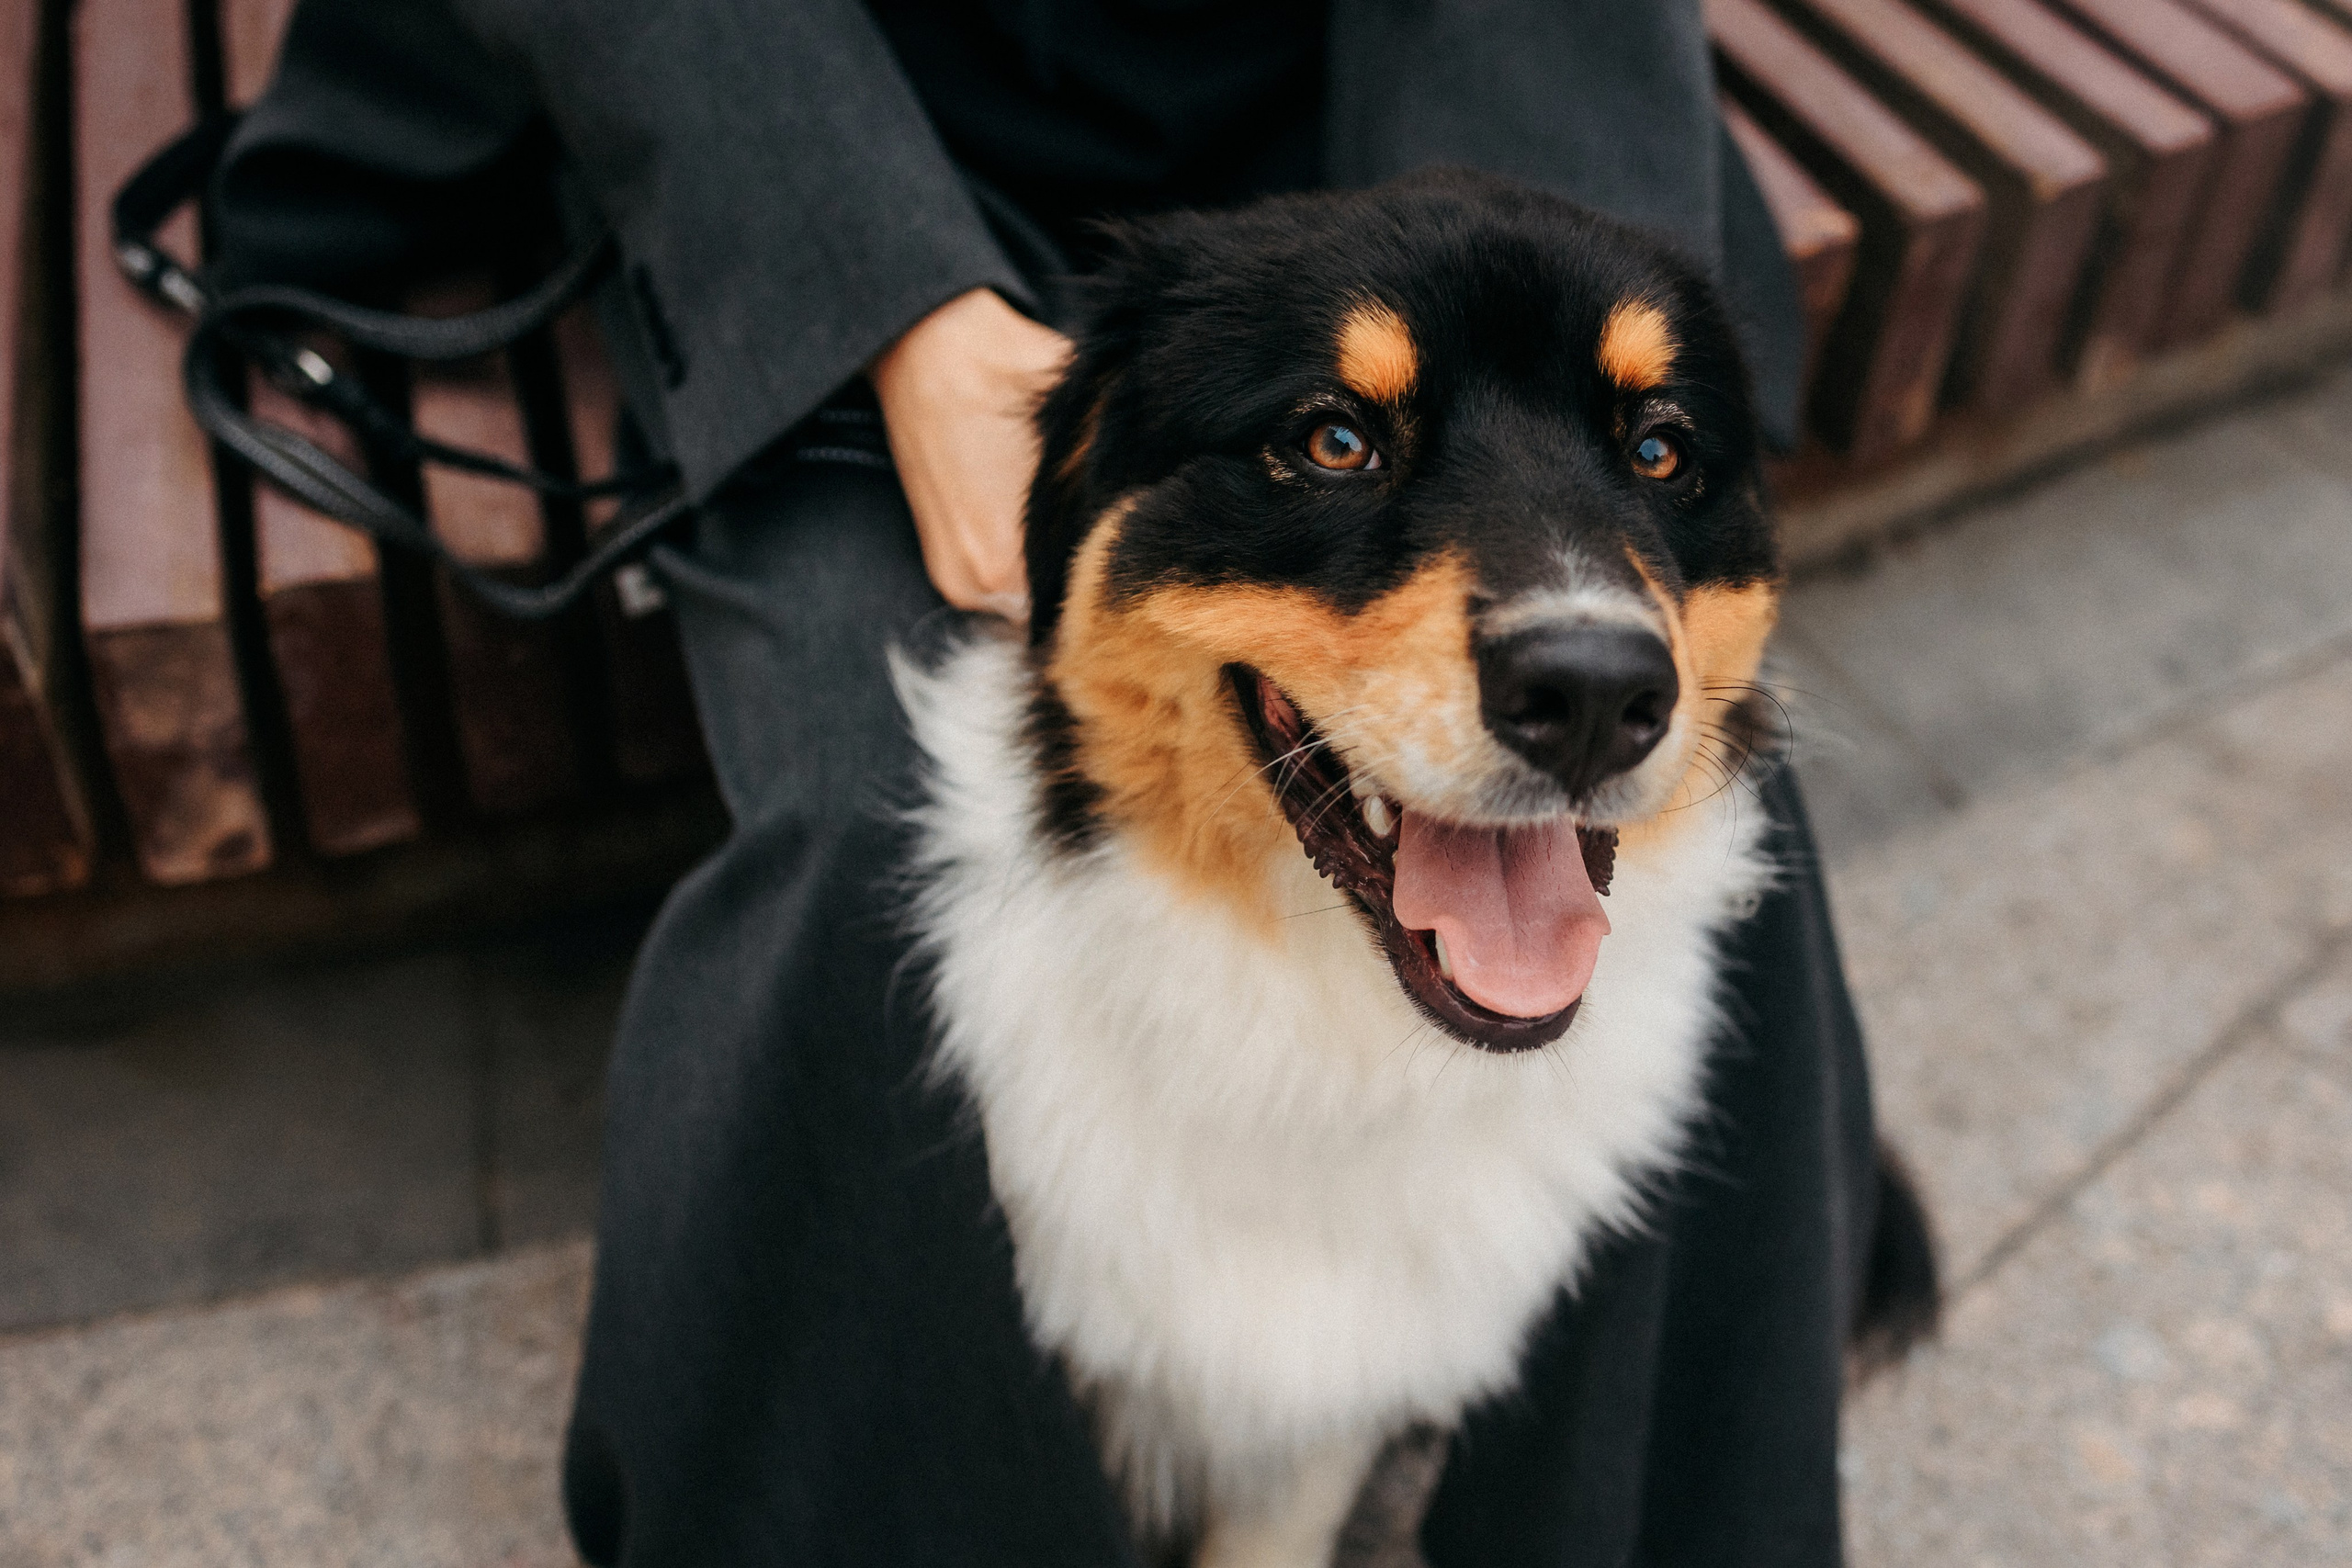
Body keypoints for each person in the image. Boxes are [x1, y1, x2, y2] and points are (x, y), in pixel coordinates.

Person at [218, 3, 1882, 1562]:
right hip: (844, 123)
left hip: (1427, 89)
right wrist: (893, 307)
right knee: (866, 824)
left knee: (1719, 824)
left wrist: (1549, 313)